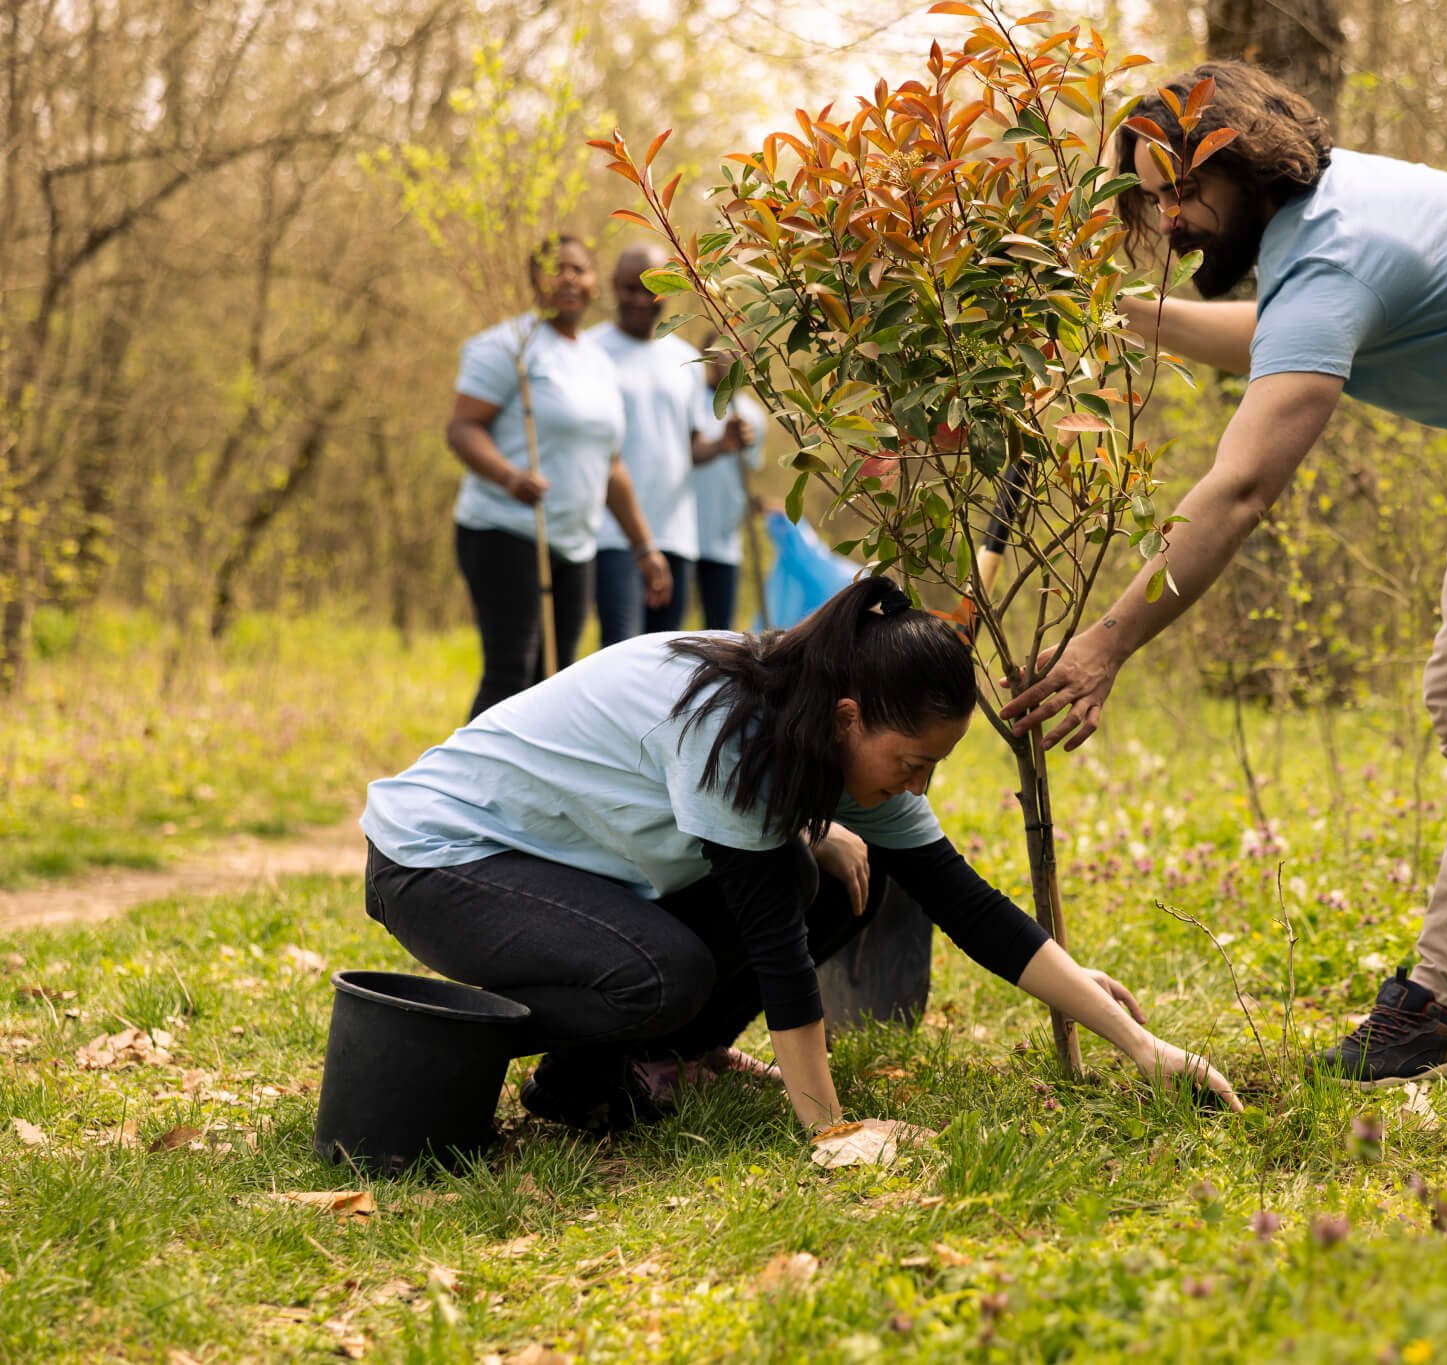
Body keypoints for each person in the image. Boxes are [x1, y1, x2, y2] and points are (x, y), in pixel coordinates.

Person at [1003, 62, 1447, 1088]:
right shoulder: (1317, 232)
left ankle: (1442, 1006)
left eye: (1184, 192)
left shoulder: (1335, 249)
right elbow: (1282, 336)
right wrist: (1119, 316)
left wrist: (1106, 640)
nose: (1169, 221)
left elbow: (1240, 486)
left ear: (1249, 167)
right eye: (1153, 197)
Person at [360, 576, 1242, 1134]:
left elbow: (967, 904)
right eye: (912, 764)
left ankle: (649, 1061)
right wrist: (831, 1131)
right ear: (850, 716)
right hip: (441, 856)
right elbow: (778, 957)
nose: (918, 787)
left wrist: (1136, 1042)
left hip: (554, 869)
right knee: (665, 973)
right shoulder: (730, 729)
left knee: (834, 874)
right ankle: (441, 1038)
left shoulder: (819, 719)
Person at [445, 234, 673, 718]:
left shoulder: (596, 360)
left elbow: (611, 464)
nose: (567, 278)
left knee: (555, 679)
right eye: (555, 268)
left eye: (579, 269)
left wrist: (644, 548)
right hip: (505, 532)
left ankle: (531, 792)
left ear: (595, 285)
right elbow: (463, 428)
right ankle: (461, 790)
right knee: (512, 673)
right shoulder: (509, 346)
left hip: (574, 542)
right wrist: (510, 476)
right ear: (534, 280)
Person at [590, 245, 757, 647]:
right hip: (613, 535)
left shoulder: (684, 360)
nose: (638, 300)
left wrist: (722, 445)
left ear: (667, 291)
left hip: (677, 536)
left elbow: (689, 447)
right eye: (629, 288)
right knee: (619, 653)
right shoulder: (591, 350)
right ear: (613, 287)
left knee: (665, 660)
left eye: (650, 289)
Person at [690, 344, 768, 630]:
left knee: (719, 629)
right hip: (683, 531)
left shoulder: (753, 417)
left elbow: (751, 470)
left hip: (723, 537)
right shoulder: (691, 401)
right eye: (719, 351)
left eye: (735, 352)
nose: (727, 358)